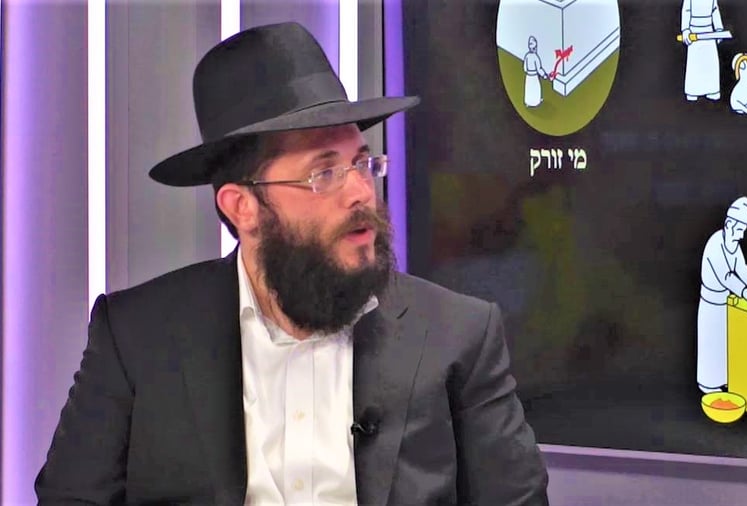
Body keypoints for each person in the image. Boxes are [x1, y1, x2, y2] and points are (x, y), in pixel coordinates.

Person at [35, 22, 549, 505]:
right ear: (242, 207)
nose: (361, 191)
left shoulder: (459, 334)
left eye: (362, 162)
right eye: (324, 174)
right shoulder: (136, 336)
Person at [697, 197, 747, 394]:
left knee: (725, 345)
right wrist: (745, 292)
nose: (742, 236)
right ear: (729, 225)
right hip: (711, 304)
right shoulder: (715, 244)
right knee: (711, 345)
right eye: (739, 230)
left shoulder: (734, 245)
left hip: (726, 304)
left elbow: (741, 267)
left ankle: (725, 380)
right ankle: (708, 385)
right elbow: (726, 277)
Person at [681, 0, 725, 102]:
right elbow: (686, 11)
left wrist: (719, 29)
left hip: (709, 33)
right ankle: (693, 91)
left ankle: (712, 90)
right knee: (695, 64)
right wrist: (686, 30)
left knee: (711, 63)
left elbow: (715, 10)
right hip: (694, 33)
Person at [523, 35, 549, 107]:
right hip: (534, 76)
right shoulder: (535, 57)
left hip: (528, 76)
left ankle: (528, 102)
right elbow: (539, 68)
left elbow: (525, 68)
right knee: (535, 88)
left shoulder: (527, 56)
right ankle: (536, 102)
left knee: (529, 88)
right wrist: (544, 75)